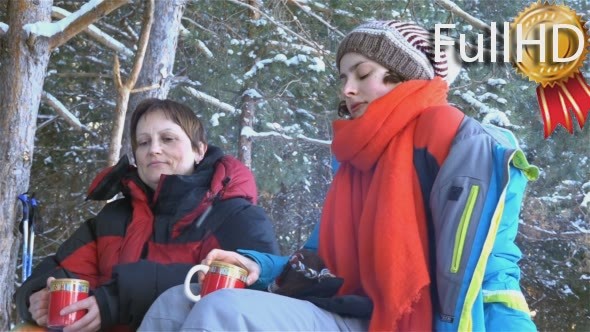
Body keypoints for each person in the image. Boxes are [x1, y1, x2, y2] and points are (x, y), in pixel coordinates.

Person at [140, 20, 539, 331]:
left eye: (362, 74)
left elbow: (493, 275)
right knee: (176, 302)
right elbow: (318, 262)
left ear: (404, 76)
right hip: (342, 308)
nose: (347, 89)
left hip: (400, 322)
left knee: (224, 312)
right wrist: (258, 267)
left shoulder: (464, 148)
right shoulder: (354, 164)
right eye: (343, 78)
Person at [15, 98, 280, 332]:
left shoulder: (237, 216)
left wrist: (114, 301)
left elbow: (255, 293)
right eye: (143, 142)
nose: (153, 149)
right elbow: (60, 270)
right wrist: (38, 295)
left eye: (167, 139)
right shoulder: (114, 217)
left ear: (199, 150)